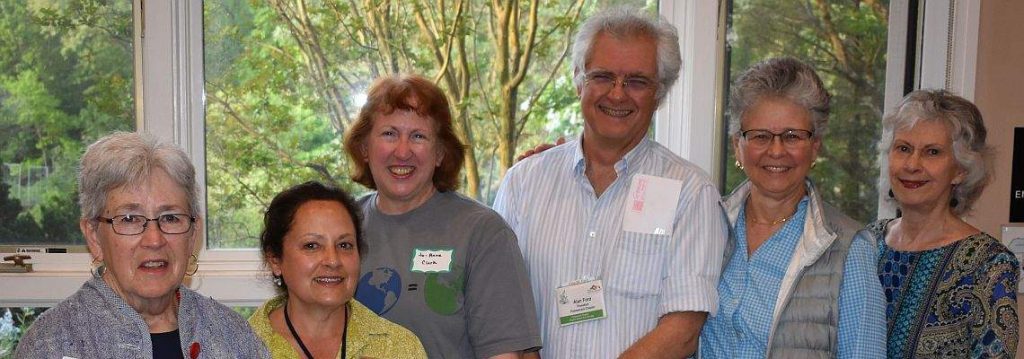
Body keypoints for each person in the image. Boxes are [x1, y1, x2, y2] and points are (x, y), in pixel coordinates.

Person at [492, 7, 727, 358]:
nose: (617, 94)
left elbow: (682, 331)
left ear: (659, 93)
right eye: (602, 76)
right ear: (577, 80)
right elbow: (496, 305)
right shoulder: (523, 183)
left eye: (636, 81)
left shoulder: (690, 192)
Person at [15, 132, 268, 358]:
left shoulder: (234, 338)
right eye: (129, 219)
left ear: (193, 233)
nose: (154, 240)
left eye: (170, 218)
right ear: (93, 235)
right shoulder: (51, 344)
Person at [698, 57, 886, 358]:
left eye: (792, 136)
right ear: (737, 146)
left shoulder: (849, 250)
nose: (776, 151)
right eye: (760, 136)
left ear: (815, 148)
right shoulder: (706, 224)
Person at [343, 74, 541, 358]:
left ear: (440, 153)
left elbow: (507, 353)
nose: (402, 151)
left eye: (418, 136)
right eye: (389, 133)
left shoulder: (481, 232)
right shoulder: (343, 227)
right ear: (364, 147)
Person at [871, 89, 1018, 357]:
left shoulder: (989, 263)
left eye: (932, 152)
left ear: (961, 170)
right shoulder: (866, 244)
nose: (912, 164)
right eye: (903, 148)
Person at [250, 181, 426, 359]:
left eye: (344, 245)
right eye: (312, 246)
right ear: (275, 260)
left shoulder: (398, 348)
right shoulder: (237, 347)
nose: (333, 260)